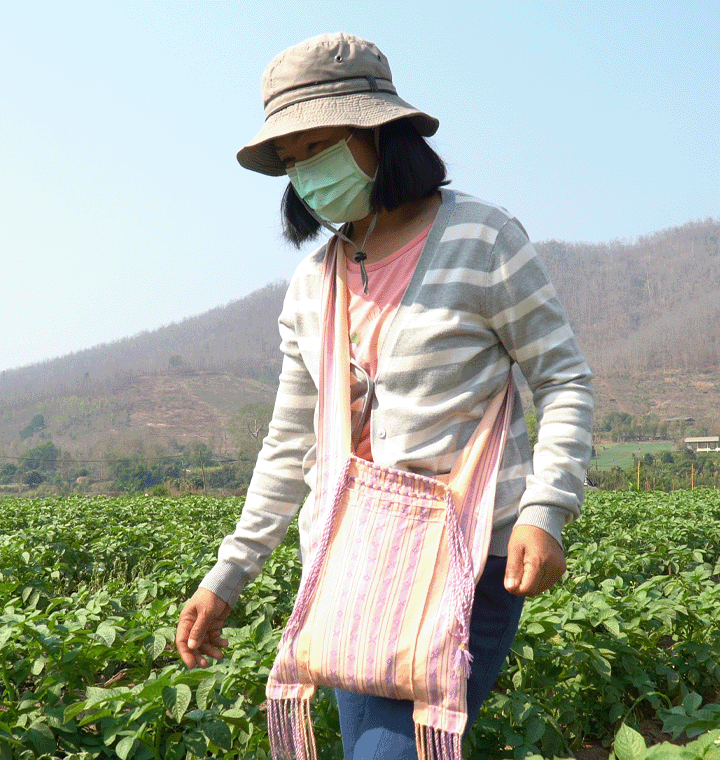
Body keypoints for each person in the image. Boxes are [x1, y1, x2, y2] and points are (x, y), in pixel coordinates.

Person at [176, 32, 594, 759]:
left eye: (319, 145)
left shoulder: (482, 240)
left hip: (468, 560)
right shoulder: (314, 284)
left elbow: (562, 380)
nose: (305, 171)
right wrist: (228, 573)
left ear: (380, 134)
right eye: (292, 157)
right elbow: (290, 442)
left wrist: (546, 510)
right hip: (349, 562)